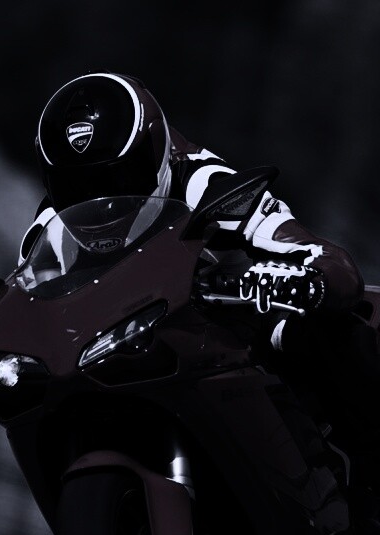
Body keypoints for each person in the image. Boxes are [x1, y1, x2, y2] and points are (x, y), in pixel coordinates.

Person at [19, 70, 379, 494]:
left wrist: (307, 280)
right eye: (75, 189)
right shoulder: (51, 226)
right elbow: (29, 299)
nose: (100, 205)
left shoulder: (205, 181)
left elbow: (325, 259)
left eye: (117, 181)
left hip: (225, 329)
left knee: (325, 328)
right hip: (131, 352)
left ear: (155, 155)